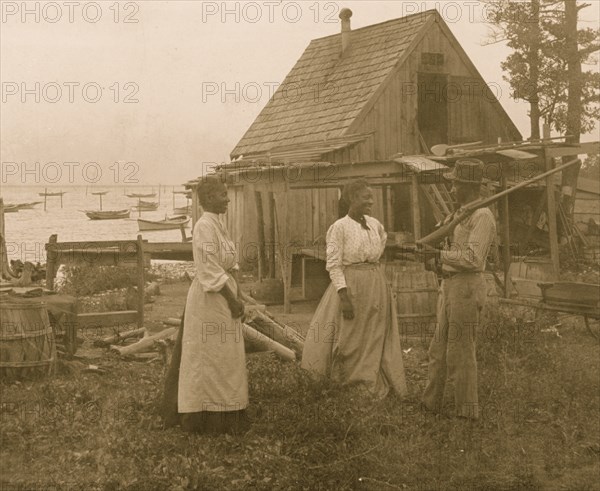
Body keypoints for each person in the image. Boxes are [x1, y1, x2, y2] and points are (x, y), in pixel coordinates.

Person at [301, 179, 407, 399]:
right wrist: (344, 295)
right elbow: (333, 263)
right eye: (365, 197)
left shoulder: (375, 224)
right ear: (351, 199)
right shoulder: (339, 228)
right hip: (351, 286)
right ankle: (349, 381)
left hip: (376, 284)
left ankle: (372, 377)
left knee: (375, 332)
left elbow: (380, 249)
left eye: (371, 197)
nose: (371, 201)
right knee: (350, 335)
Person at [161, 176, 250, 434]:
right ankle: (203, 417)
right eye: (223, 194)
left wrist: (239, 294)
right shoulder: (203, 227)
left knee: (225, 356)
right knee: (207, 357)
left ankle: (228, 412)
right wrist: (232, 299)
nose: (228, 198)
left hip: (224, 294)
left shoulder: (218, 224)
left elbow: (229, 264)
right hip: (210, 298)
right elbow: (208, 268)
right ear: (209, 198)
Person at [422, 159, 497, 420]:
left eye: (455, 184)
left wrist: (439, 254)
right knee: (437, 349)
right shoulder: (458, 215)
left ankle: (466, 413)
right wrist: (431, 259)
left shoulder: (482, 216)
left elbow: (473, 258)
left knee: (461, 352)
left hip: (467, 286)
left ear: (467, 186)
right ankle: (430, 405)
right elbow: (445, 248)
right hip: (449, 285)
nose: (452, 189)